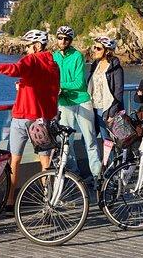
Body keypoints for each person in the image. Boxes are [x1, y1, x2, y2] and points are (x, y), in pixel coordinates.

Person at [0, 29, 60, 213]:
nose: (25, 50)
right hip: (42, 120)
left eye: (28, 46)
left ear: (36, 46)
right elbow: (52, 91)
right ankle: (48, 200)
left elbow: (13, 69)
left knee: (14, 160)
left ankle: (10, 199)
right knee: (45, 162)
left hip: (22, 117)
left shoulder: (32, 60)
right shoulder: (53, 65)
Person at [52, 26, 101, 183]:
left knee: (90, 139)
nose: (63, 41)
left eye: (66, 38)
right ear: (57, 38)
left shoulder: (77, 56)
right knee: (66, 142)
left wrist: (59, 86)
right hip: (64, 103)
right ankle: (74, 174)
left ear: (70, 41)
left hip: (81, 101)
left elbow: (79, 83)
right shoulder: (53, 57)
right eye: (60, 38)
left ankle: (97, 176)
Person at [87, 36, 124, 142]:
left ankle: (109, 159)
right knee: (88, 138)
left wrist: (112, 113)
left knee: (107, 139)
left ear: (107, 51)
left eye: (98, 48)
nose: (95, 50)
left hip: (105, 110)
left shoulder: (115, 68)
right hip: (92, 107)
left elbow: (118, 92)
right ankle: (97, 159)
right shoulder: (95, 65)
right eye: (95, 47)